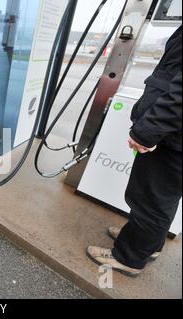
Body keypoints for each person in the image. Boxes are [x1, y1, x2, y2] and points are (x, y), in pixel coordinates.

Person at [86, 26, 182, 277]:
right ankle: (147, 243)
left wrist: (148, 131)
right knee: (162, 196)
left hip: (172, 134)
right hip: (173, 132)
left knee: (149, 198)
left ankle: (128, 256)